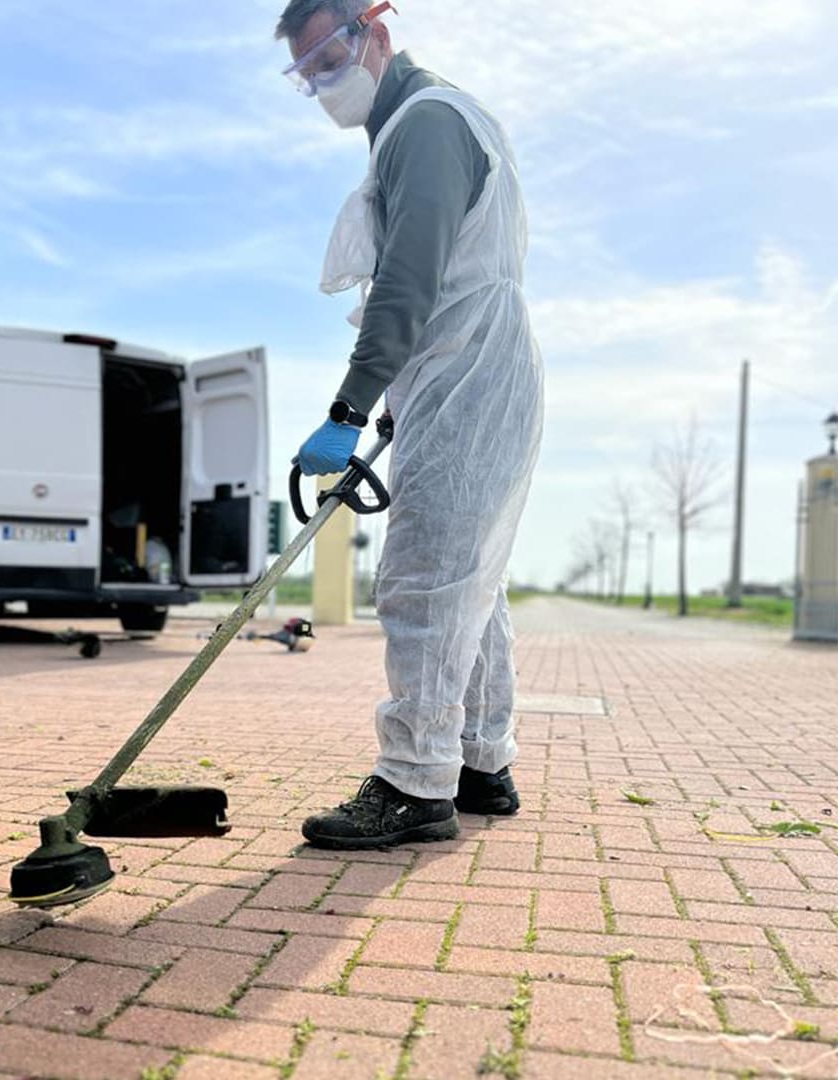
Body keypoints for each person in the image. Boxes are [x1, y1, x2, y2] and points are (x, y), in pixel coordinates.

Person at [276, 1, 544, 848]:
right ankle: (477, 763)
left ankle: (412, 784)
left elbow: (408, 283)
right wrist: (399, 393)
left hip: (468, 363)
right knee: (473, 580)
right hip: (467, 364)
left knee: (425, 575)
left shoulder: (425, 122)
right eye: (307, 73)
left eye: (331, 58)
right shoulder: (429, 118)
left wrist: (348, 408)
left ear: (376, 31)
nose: (324, 82)